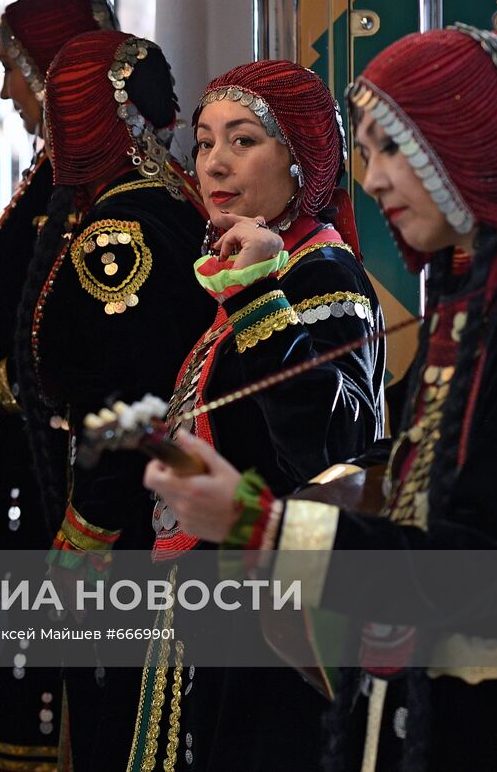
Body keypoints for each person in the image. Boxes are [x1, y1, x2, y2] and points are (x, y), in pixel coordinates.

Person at [145, 24, 497, 771]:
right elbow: (411, 478)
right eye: (369, 150)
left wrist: (258, 522)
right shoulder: (487, 292)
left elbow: (480, 566)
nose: (377, 177)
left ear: (469, 145)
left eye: (395, 148)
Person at [128, 60, 386, 772]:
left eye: (243, 141)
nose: (215, 162)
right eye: (206, 141)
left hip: (274, 616)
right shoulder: (258, 265)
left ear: (302, 163)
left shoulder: (319, 274)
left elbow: (331, 449)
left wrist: (258, 301)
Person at [11, 29, 211, 771]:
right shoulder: (162, 207)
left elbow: (128, 399)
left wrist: (87, 528)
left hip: (123, 525)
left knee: (113, 719)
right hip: (155, 506)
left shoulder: (118, 235)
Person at [0, 0, 117, 772]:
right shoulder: (58, 181)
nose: (4, 90)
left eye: (12, 69)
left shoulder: (97, 199)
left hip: (69, 494)